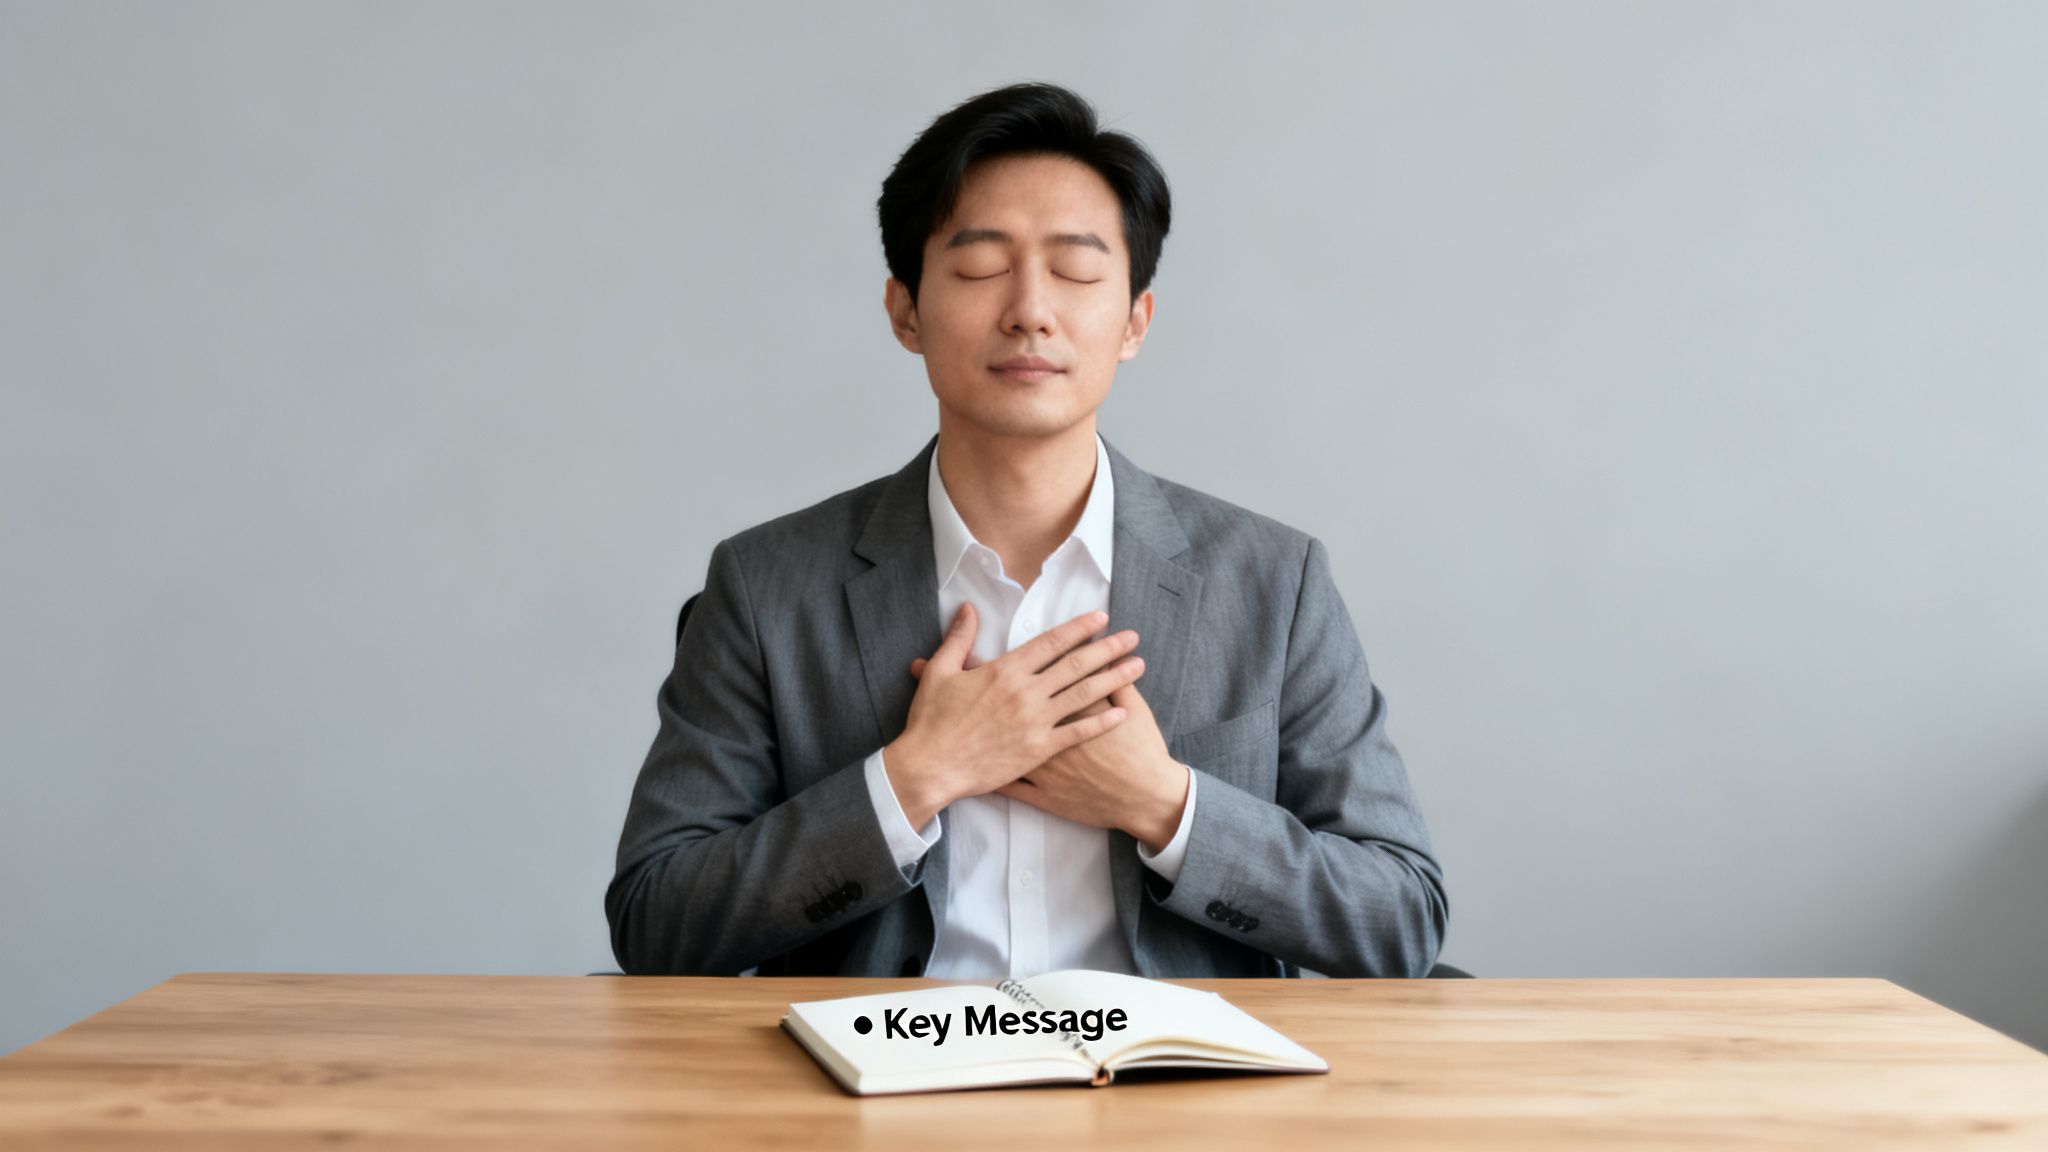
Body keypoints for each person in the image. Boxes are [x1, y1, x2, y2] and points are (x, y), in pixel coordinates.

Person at [606, 81, 1446, 980]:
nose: (1030, 310)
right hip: (878, 1105)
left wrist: (1165, 806)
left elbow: (1398, 919)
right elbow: (660, 921)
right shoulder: (768, 585)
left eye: (1078, 271)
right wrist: (912, 780)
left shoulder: (1275, 584)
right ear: (905, 313)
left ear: (1133, 321)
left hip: (1172, 1110)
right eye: (977, 268)